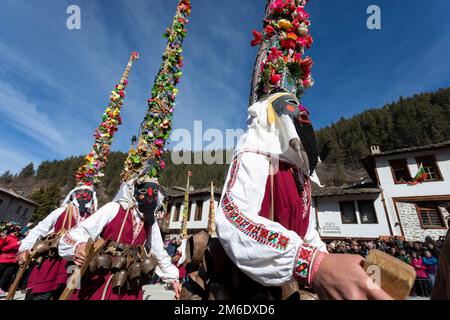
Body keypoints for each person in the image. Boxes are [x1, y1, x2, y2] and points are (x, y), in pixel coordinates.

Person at [214, 92, 391, 300]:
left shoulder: (301, 174)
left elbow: (306, 231)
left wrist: (328, 261)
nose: (303, 111)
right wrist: (310, 263)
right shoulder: (255, 154)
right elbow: (233, 216)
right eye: (292, 104)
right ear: (272, 115)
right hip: (250, 282)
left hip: (291, 279)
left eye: (302, 106)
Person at [58, 178, 180, 300]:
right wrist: (80, 246)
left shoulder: (150, 221)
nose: (150, 195)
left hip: (130, 280)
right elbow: (80, 232)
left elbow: (158, 252)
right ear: (133, 190)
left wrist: (173, 279)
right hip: (104, 274)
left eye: (154, 192)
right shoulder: (114, 208)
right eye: (144, 190)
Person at [17, 186, 97, 300]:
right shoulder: (62, 211)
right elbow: (39, 229)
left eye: (88, 193)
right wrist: (25, 248)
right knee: (41, 295)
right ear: (74, 194)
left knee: (67, 295)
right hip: (52, 260)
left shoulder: (94, 217)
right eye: (81, 192)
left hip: (75, 265)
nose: (84, 195)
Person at [0, 225, 21, 296]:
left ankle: (0, 288)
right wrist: (15, 244)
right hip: (3, 259)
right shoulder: (7, 238)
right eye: (14, 231)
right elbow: (3, 249)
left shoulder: (18, 240)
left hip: (13, 261)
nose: (16, 233)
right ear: (11, 232)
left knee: (7, 275)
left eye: (17, 231)